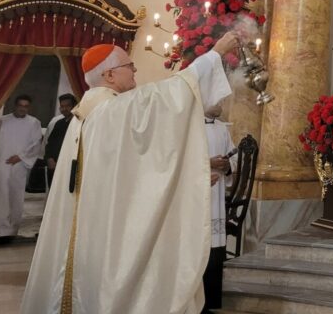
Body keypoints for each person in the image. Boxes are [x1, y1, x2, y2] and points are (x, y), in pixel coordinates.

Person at [21, 32, 239, 314]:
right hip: (104, 233)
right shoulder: (111, 110)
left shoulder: (90, 112)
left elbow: (131, 169)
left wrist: (188, 178)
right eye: (130, 67)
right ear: (110, 75)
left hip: (95, 226)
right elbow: (172, 94)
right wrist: (216, 53)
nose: (135, 72)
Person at [0, 94, 43, 244]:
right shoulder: (2, 121)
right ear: (15, 105)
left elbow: (36, 143)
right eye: (20, 105)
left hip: (20, 165)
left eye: (26, 106)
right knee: (1, 197)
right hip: (3, 164)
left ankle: (12, 230)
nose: (23, 108)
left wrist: (20, 157)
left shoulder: (34, 123)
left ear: (29, 107)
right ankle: (2, 232)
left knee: (16, 197)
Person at [203, 103, 237, 313]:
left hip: (216, 200)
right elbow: (177, 160)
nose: (221, 105)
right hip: (197, 198)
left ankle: (214, 304)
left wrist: (227, 165)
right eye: (216, 99)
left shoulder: (222, 128)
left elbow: (233, 158)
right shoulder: (188, 125)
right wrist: (206, 163)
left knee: (216, 253)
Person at [43, 93, 77, 189]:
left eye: (67, 106)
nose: (64, 109)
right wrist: (49, 158)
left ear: (74, 106)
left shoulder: (79, 123)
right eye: (62, 106)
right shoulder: (59, 123)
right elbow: (50, 143)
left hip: (70, 166)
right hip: (54, 165)